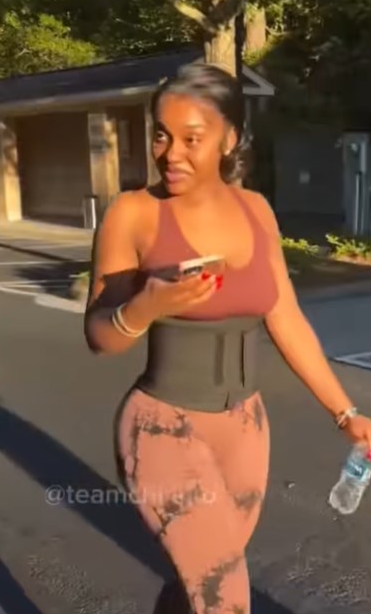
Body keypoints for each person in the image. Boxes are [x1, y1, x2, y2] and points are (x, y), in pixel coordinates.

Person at [83, 63, 371, 614]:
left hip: (246, 431)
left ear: (229, 139)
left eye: (191, 139)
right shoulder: (133, 214)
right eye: (161, 135)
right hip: (162, 430)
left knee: (200, 581)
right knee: (224, 593)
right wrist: (146, 306)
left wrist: (345, 413)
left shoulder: (256, 210)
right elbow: (100, 336)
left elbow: (286, 318)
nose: (171, 153)